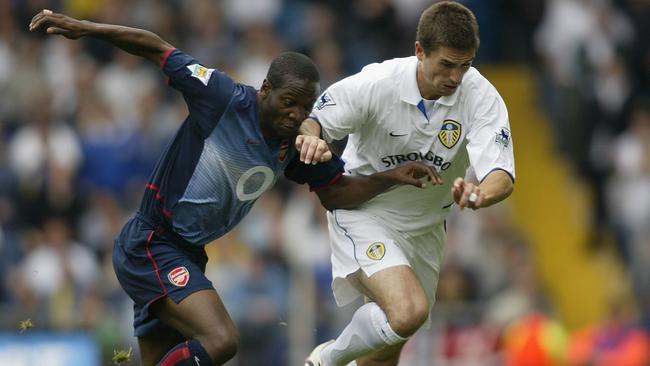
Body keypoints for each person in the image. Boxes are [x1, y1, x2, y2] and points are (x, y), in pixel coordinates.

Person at [29, 9, 445, 366]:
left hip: (187, 254)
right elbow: (157, 47)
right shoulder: (223, 97)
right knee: (222, 340)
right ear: (265, 90)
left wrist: (389, 178)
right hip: (151, 243)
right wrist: (86, 28)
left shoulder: (296, 144)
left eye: (306, 106)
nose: (297, 114)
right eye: (289, 102)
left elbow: (335, 191)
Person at [301, 2, 516, 365]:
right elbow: (315, 120)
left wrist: (480, 193)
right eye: (446, 65)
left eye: (465, 66)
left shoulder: (481, 97)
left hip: (426, 230)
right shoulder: (377, 83)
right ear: (420, 51)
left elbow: (502, 174)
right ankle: (326, 359)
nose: (455, 78)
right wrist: (312, 138)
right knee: (408, 311)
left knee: (385, 356)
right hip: (365, 212)